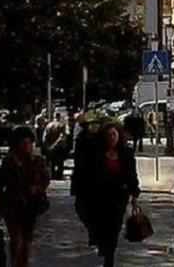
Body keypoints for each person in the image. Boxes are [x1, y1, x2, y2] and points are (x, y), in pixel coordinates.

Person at [0, 126, 50, 267]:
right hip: (12, 205)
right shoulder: (9, 162)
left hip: (31, 206)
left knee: (27, 239)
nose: (27, 146)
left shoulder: (38, 161)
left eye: (29, 142)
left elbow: (45, 180)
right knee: (16, 238)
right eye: (23, 143)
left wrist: (36, 189)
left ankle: (23, 264)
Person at [89, 123, 140, 267]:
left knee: (114, 226)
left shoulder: (126, 153)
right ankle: (103, 246)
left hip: (118, 196)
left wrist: (134, 196)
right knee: (101, 225)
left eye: (114, 134)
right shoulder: (98, 153)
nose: (112, 138)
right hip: (101, 196)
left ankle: (109, 256)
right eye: (109, 135)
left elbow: (132, 176)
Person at [71, 116, 101, 247]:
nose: (94, 127)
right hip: (82, 178)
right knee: (80, 208)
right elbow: (77, 158)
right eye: (92, 124)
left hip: (98, 180)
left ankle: (95, 233)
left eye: (97, 125)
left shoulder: (102, 139)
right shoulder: (82, 137)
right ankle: (93, 229)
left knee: (95, 209)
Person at [43, 113, 68, 180]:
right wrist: (56, 144)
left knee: (52, 162)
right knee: (60, 162)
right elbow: (62, 137)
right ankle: (59, 176)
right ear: (59, 117)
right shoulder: (61, 125)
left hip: (50, 147)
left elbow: (44, 136)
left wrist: (47, 146)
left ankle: (52, 175)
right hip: (59, 147)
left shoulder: (49, 125)